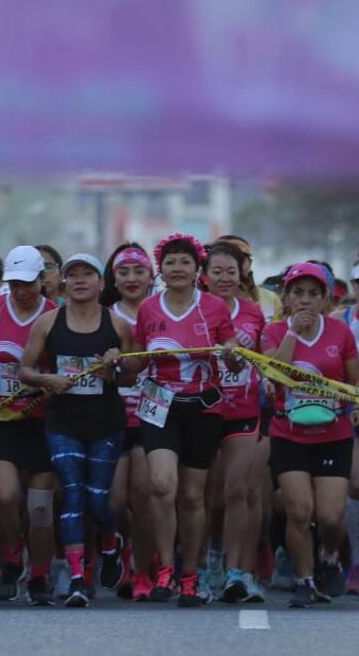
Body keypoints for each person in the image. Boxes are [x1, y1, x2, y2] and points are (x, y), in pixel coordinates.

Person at [128, 232, 241, 606]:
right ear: (161, 269)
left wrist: (234, 354)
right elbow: (137, 359)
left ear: (198, 270)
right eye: (171, 262)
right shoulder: (148, 309)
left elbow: (235, 358)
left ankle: (190, 574)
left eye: (186, 262)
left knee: (193, 497)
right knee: (161, 485)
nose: (178, 268)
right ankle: (164, 569)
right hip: (159, 407)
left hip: (203, 409)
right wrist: (122, 359)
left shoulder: (214, 308)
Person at [19, 253, 135, 607]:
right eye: (73, 275)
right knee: (71, 493)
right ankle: (77, 578)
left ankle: (111, 543)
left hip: (105, 424)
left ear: (102, 284)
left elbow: (132, 375)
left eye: (88, 274)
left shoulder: (117, 326)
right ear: (64, 283)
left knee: (98, 500)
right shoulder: (47, 323)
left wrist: (115, 369)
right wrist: (46, 378)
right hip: (63, 422)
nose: (80, 280)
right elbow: (24, 370)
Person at [261, 263, 359, 608]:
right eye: (297, 293)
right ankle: (304, 580)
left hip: (333, 434)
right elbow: (273, 374)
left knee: (332, 515)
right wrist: (292, 334)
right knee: (300, 511)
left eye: (313, 294)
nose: (305, 301)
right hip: (288, 433)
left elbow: (354, 381)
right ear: (286, 299)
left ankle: (330, 555)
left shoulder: (340, 333)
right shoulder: (275, 332)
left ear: (325, 300)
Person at [0, 245, 59, 604]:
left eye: (28, 283)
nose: (21, 291)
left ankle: (40, 574)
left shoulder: (55, 315)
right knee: (4, 496)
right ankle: (10, 559)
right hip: (1, 417)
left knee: (39, 506)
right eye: (14, 283)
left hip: (43, 420)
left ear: (42, 281)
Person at [204, 242, 268, 603]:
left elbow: (264, 359)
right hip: (204, 412)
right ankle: (207, 560)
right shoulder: (195, 311)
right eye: (217, 272)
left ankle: (238, 572)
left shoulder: (253, 313)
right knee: (208, 497)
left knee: (237, 492)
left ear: (241, 273)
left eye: (231, 271)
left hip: (244, 412)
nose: (225, 278)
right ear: (205, 275)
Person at [100, 242, 154, 601]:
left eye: (139, 271)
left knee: (144, 496)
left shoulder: (163, 310)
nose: (132, 278)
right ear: (113, 279)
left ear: (152, 276)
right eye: (124, 272)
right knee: (115, 501)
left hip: (154, 418)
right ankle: (116, 546)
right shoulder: (103, 316)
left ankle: (143, 571)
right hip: (112, 417)